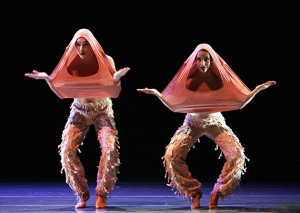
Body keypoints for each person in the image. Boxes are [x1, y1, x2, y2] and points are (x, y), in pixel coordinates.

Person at [137, 44, 275, 209]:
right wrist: (157, 94)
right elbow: (174, 107)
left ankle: (218, 192)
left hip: (215, 122)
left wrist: (256, 91)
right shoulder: (189, 81)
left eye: (207, 60)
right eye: (200, 60)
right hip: (192, 123)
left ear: (212, 61)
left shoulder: (219, 80)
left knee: (237, 155)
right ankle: (194, 192)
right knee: (171, 155)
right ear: (194, 62)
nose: (203, 63)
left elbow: (240, 103)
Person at [25, 29, 130, 209]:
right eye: (78, 45)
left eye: (85, 44)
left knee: (110, 148)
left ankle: (102, 194)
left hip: (102, 110)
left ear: (93, 45)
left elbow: (115, 93)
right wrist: (47, 79)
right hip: (79, 111)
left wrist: (117, 80)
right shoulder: (70, 62)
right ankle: (82, 193)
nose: (81, 49)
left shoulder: (107, 61)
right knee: (66, 150)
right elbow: (61, 92)